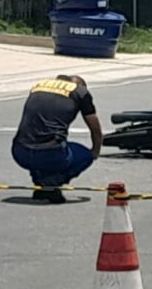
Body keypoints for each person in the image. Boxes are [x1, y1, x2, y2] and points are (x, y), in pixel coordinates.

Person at [11, 74, 103, 204]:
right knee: (85, 155)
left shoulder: (39, 86)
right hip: (51, 154)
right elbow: (95, 128)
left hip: (20, 152)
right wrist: (95, 151)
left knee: (39, 142)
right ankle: (51, 184)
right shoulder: (80, 92)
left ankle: (40, 183)